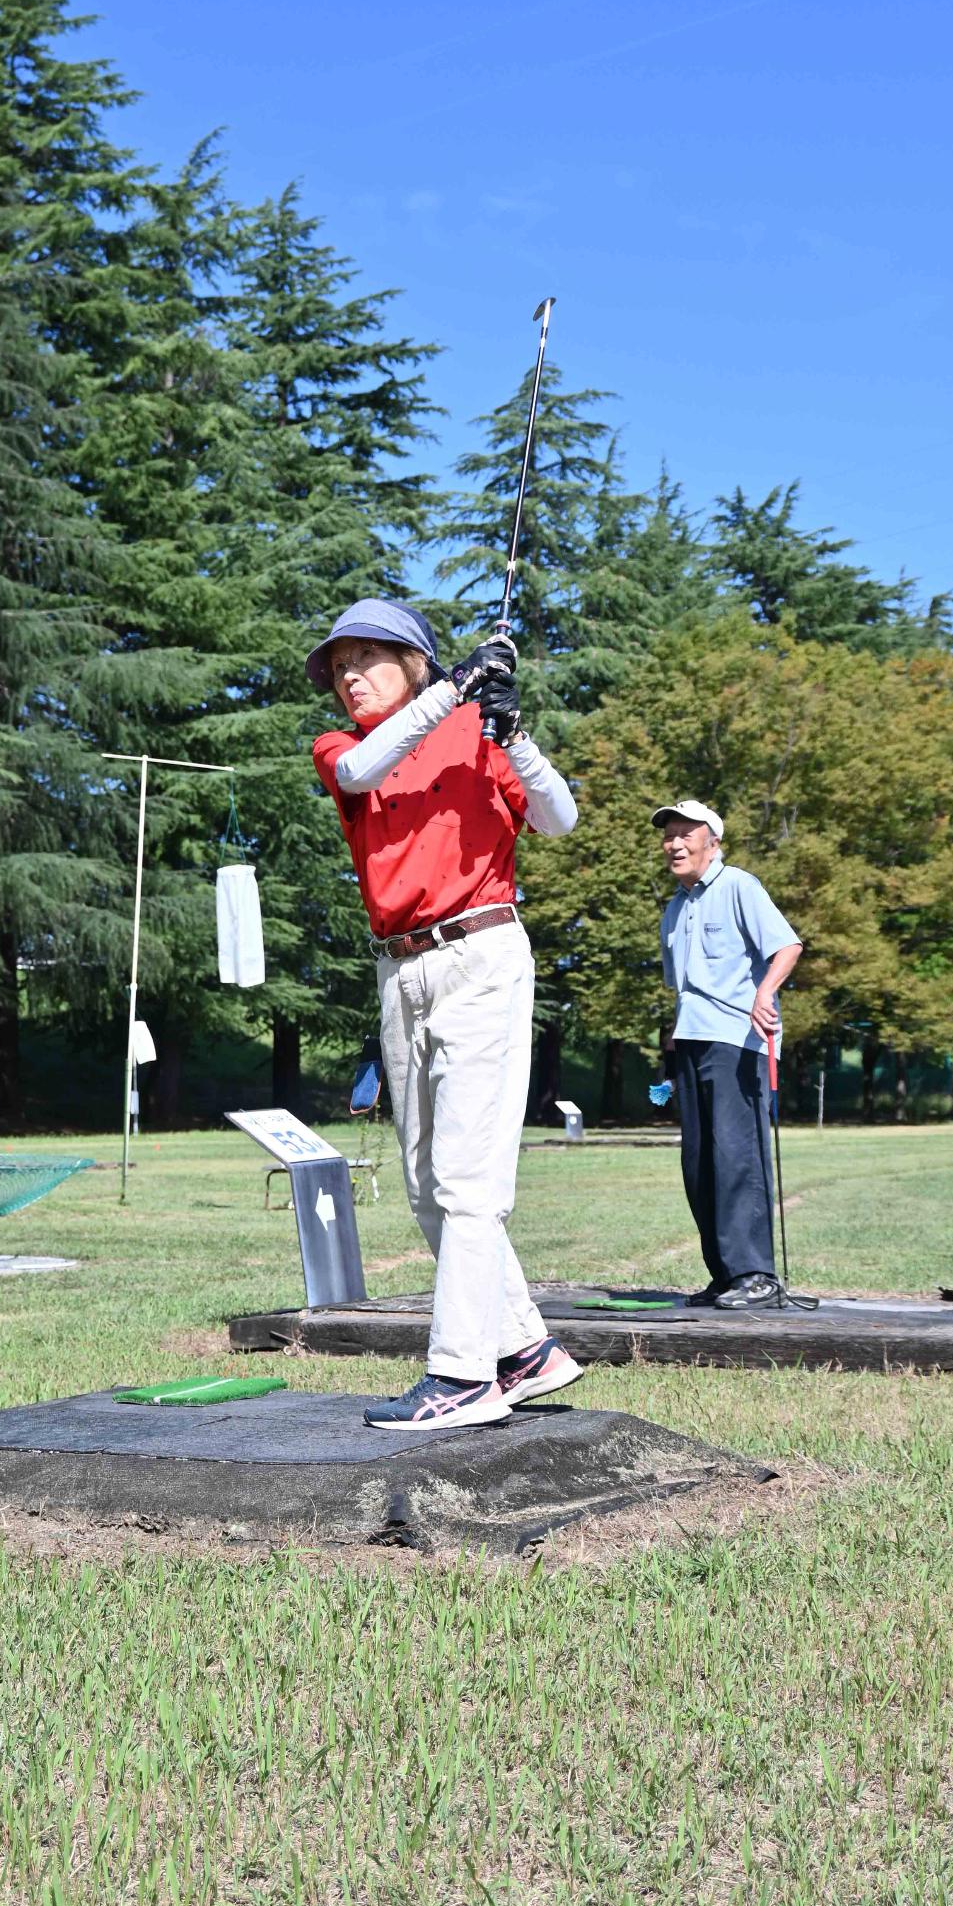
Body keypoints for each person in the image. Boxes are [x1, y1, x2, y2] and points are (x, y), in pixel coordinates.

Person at [308, 597, 580, 1428]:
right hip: (401, 973)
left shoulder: (477, 734)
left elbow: (559, 819)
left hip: (480, 956)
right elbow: (361, 773)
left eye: (368, 657)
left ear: (415, 662)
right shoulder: (342, 747)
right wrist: (456, 687)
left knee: (466, 1181)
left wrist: (513, 732)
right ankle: (526, 1351)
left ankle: (465, 1377)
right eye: (339, 664)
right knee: (427, 1186)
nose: (349, 675)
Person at [654, 800, 804, 1311]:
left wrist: (765, 994)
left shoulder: (740, 885)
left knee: (736, 1156)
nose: (674, 843)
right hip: (692, 1041)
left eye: (684, 834)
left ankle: (756, 1273)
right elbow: (682, 988)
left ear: (712, 842)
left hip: (738, 1040)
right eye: (668, 835)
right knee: (699, 1163)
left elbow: (787, 947)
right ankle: (725, 1275)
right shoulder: (674, 908)